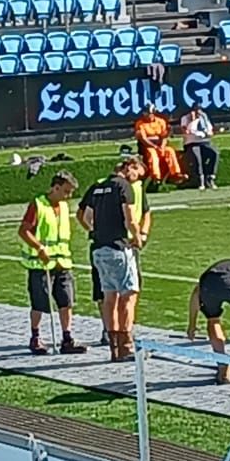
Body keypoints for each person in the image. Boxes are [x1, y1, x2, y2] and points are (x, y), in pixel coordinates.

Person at [80, 155, 143, 362]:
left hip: (99, 248)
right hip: (118, 247)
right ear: (129, 167)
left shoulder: (98, 187)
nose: (136, 179)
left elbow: (84, 216)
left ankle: (114, 348)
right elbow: (130, 217)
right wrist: (137, 237)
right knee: (128, 295)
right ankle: (126, 346)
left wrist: (96, 231)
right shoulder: (123, 187)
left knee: (109, 297)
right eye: (136, 173)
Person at [18, 170, 86, 356]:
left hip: (62, 262)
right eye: (66, 191)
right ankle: (35, 337)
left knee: (67, 301)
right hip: (40, 265)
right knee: (39, 304)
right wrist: (40, 249)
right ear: (55, 188)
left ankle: (67, 338)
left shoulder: (64, 207)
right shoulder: (38, 204)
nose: (68, 196)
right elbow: (24, 231)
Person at [133, 104, 186, 186]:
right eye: (145, 113)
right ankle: (156, 176)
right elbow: (143, 139)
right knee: (152, 153)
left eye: (148, 113)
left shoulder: (160, 122)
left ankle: (176, 174)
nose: (146, 115)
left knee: (170, 151)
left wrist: (162, 147)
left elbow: (164, 137)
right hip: (148, 146)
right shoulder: (140, 124)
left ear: (153, 113)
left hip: (160, 145)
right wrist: (155, 147)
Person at [181, 105, 219, 190]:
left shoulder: (204, 118)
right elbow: (186, 131)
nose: (198, 112)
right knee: (197, 157)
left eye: (199, 110)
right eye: (196, 110)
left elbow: (210, 130)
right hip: (192, 143)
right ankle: (200, 180)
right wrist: (191, 121)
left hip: (204, 142)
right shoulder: (185, 118)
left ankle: (210, 177)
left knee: (214, 153)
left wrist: (209, 133)